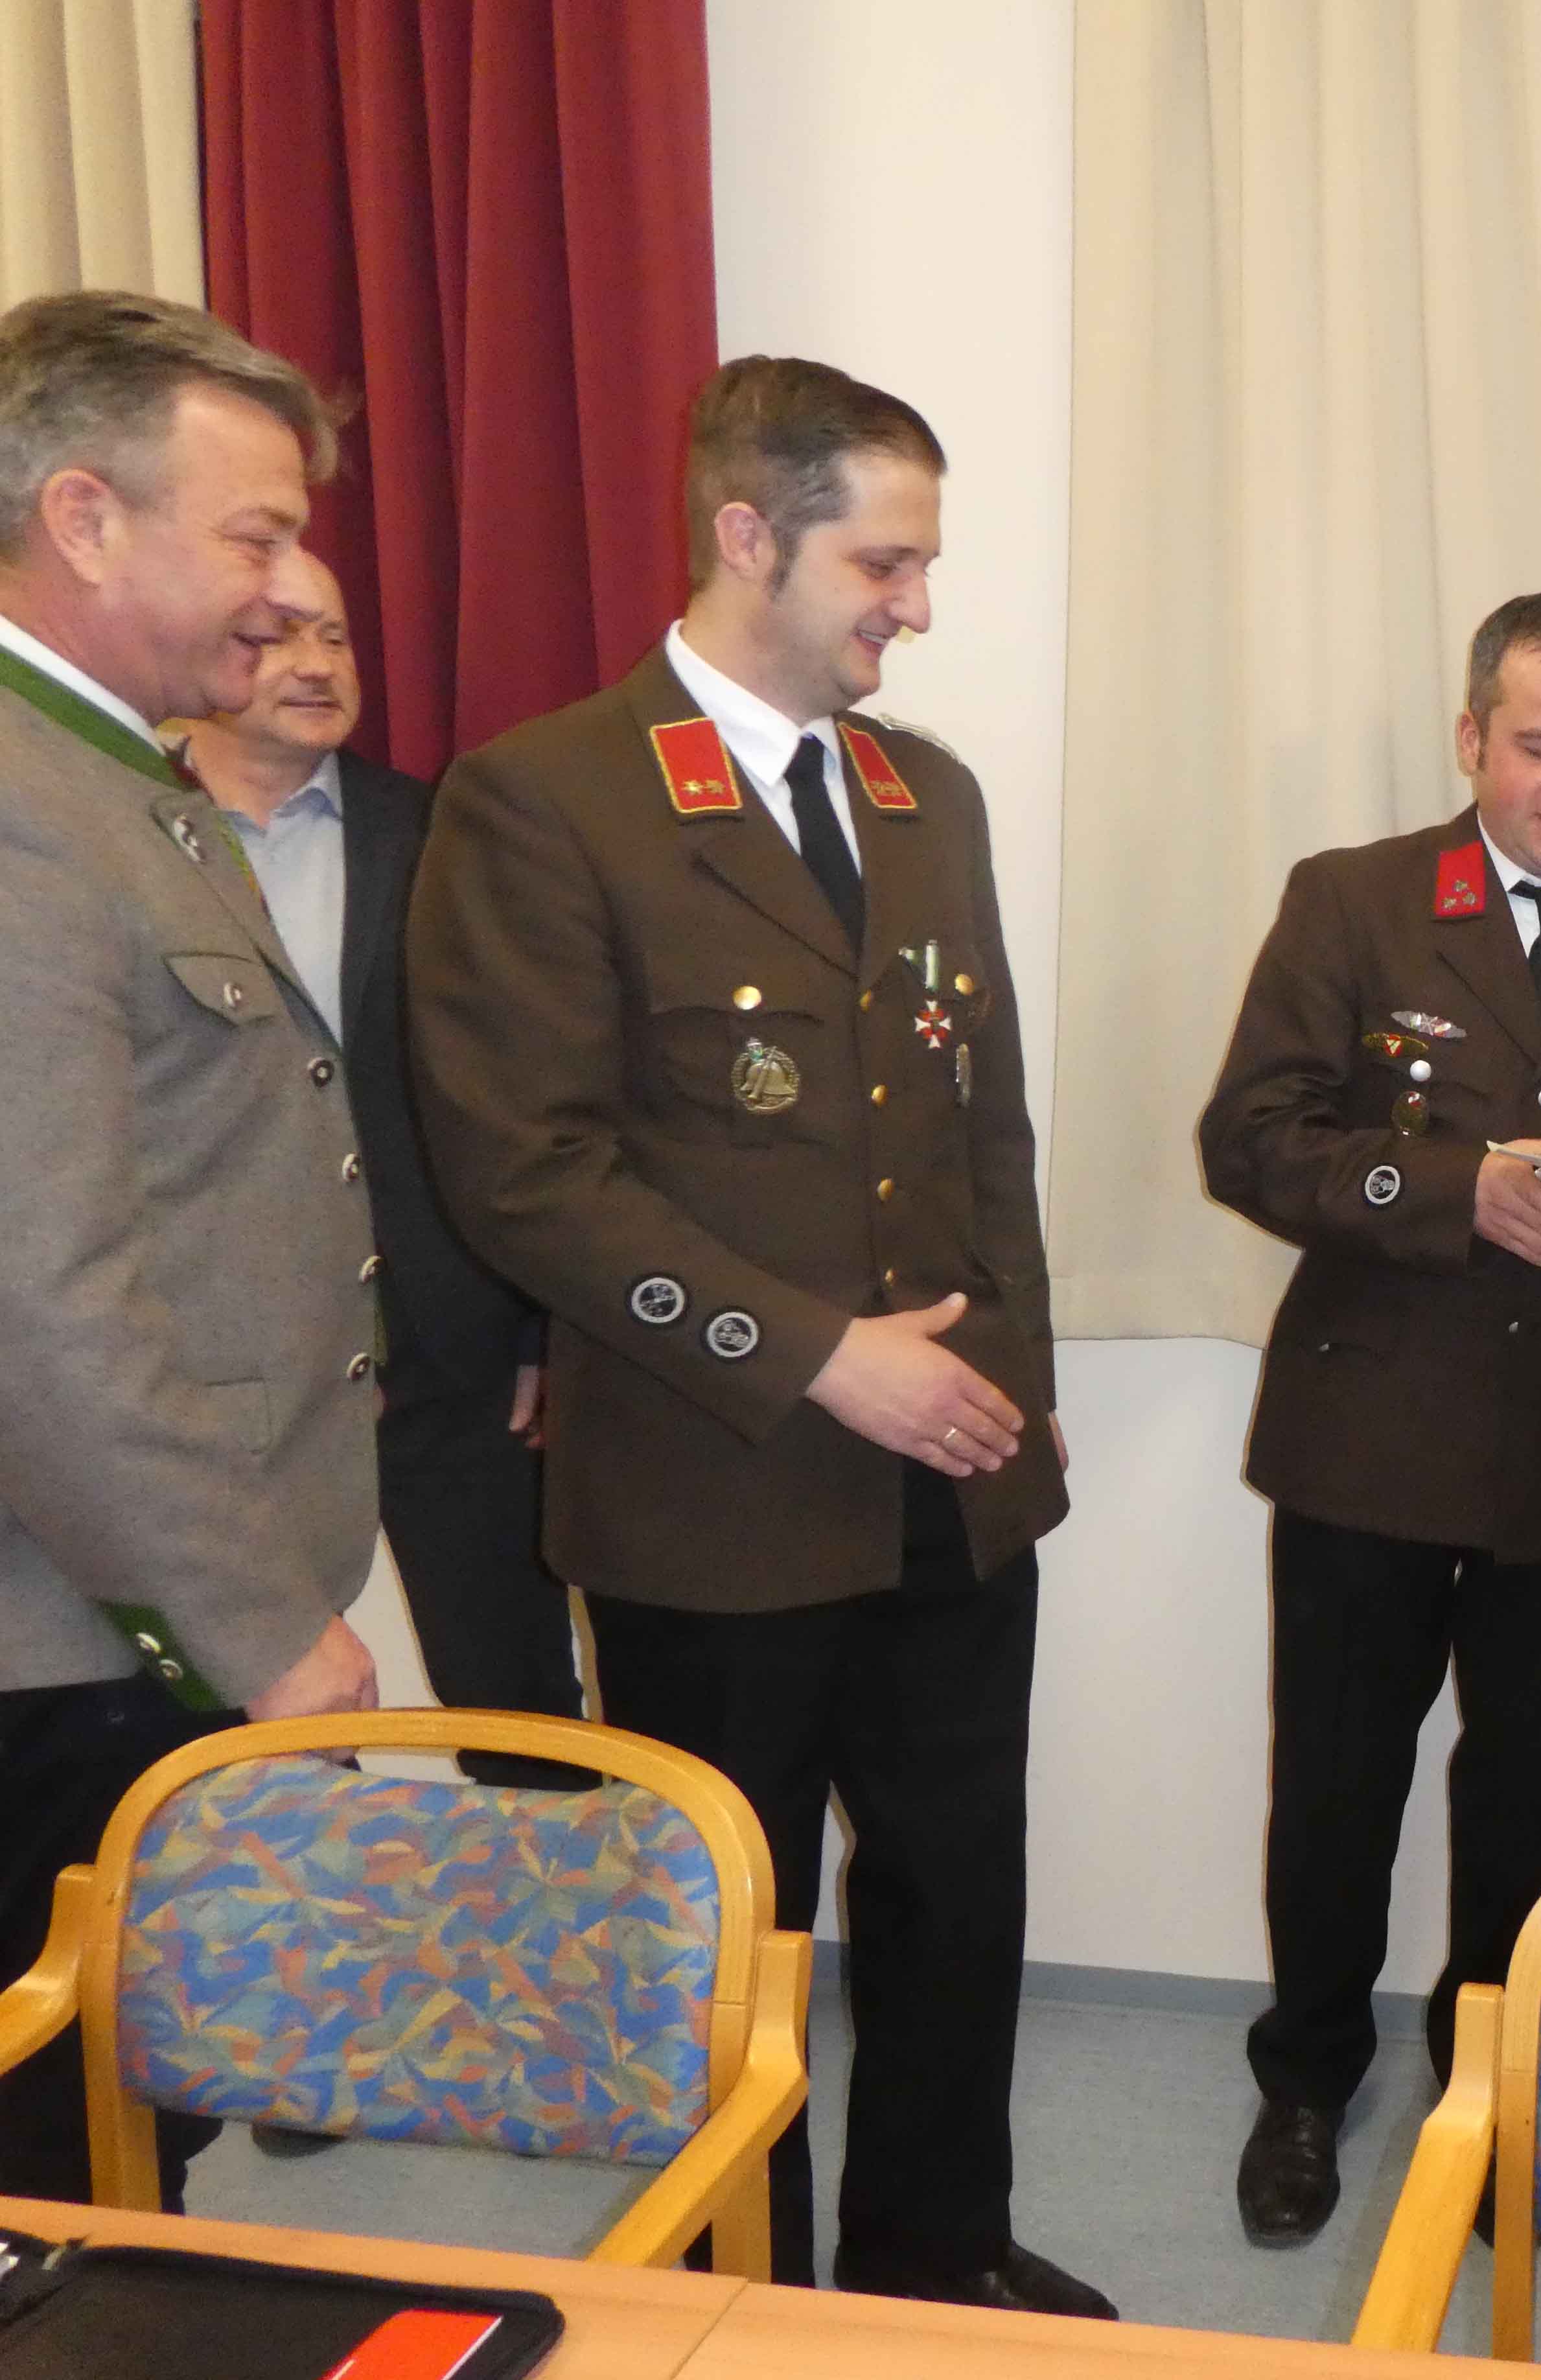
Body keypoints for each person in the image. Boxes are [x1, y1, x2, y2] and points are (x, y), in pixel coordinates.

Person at [406, 357, 1106, 2317]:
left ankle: (934, 2260)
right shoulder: (547, 798)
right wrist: (816, 1354)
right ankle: (738, 2296)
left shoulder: (924, 794)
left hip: (949, 1474)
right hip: (709, 1496)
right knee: (731, 1935)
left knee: (961, 1895)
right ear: (746, 535)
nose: (919, 605)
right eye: (885, 563)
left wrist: (1023, 1405)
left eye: (924, 562)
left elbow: (984, 1137)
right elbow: (526, 1179)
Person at [1197, 593, 1541, 2246]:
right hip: (1368, 1440)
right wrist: (1453, 1189)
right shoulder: (1357, 900)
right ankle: (1307, 2081)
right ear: (1471, 740)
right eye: (1540, 748)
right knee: (1337, 1786)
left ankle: (1490, 2082)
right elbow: (1253, 1140)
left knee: (1530, 1800)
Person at [0, 290, 380, 2204]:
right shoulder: (24, 810)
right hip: (72, 1640)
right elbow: (39, 1299)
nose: (291, 586)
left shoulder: (115, 782)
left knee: (127, 2157)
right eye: (254, 534)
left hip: (107, 1616)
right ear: (84, 517)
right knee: (62, 2190)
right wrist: (254, 1627)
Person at [168, 557, 583, 1797]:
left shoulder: (447, 832)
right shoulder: (116, 831)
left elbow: (525, 1089)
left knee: (521, 1708)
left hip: (455, 1354)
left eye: (336, 639)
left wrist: (542, 1325)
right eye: (277, 635)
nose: (315, 666)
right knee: (256, 1724)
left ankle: (544, 1922)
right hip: (224, 1370)